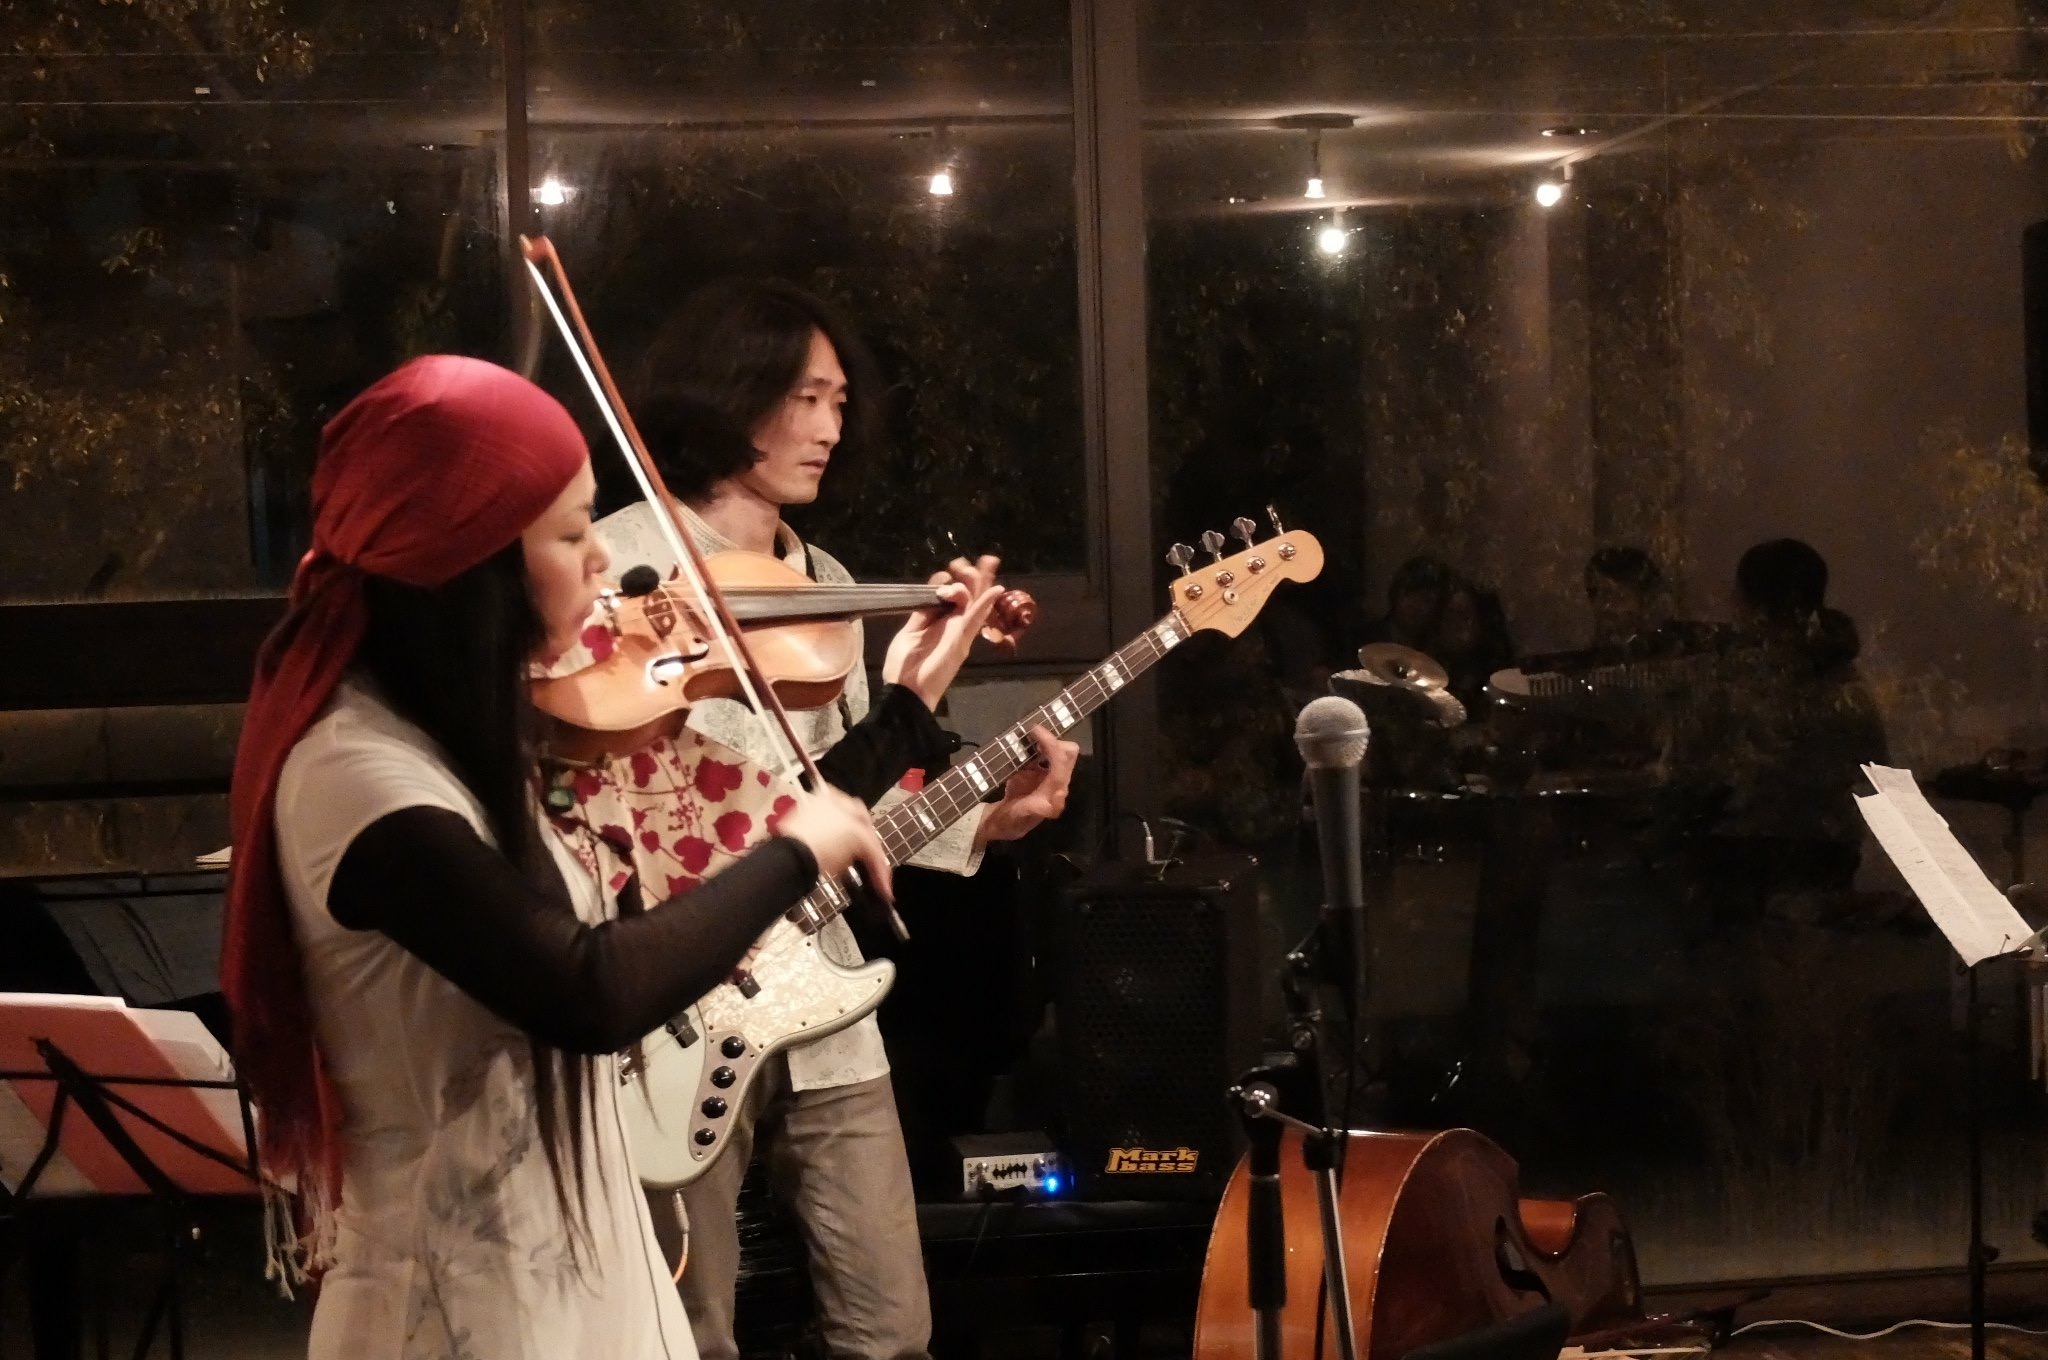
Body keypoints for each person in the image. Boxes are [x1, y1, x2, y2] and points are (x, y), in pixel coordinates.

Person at [221, 355, 897, 1359]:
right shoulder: (358, 778)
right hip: (453, 1305)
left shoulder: (479, 744)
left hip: (578, 1279)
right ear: (473, 564)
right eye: (573, 533)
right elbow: (589, 989)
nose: (604, 564)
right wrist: (796, 850)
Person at [582, 279, 1077, 1360]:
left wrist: (988, 822)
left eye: (839, 403)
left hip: (823, 989)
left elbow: (851, 796)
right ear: (734, 392)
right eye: (804, 397)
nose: (827, 427)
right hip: (674, 990)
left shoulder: (831, 583)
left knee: (891, 1326)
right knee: (688, 1330)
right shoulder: (616, 565)